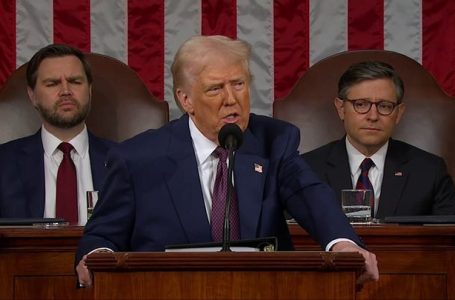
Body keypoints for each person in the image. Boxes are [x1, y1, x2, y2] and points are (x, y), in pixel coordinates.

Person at [75, 35, 378, 287]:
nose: (231, 99)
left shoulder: (274, 141)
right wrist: (98, 259)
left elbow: (310, 196)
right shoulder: (137, 158)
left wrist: (344, 244)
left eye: (239, 84)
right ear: (186, 100)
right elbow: (101, 235)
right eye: (215, 88)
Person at [302, 61, 455, 218]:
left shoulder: (429, 171)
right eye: (361, 104)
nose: (373, 116)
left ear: (399, 113)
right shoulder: (305, 169)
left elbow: (445, 238)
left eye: (384, 106)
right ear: (341, 108)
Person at [0, 44, 115, 225]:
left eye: (75, 81)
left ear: (90, 90)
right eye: (52, 83)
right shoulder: (4, 163)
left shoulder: (124, 160)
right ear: (32, 96)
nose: (66, 91)